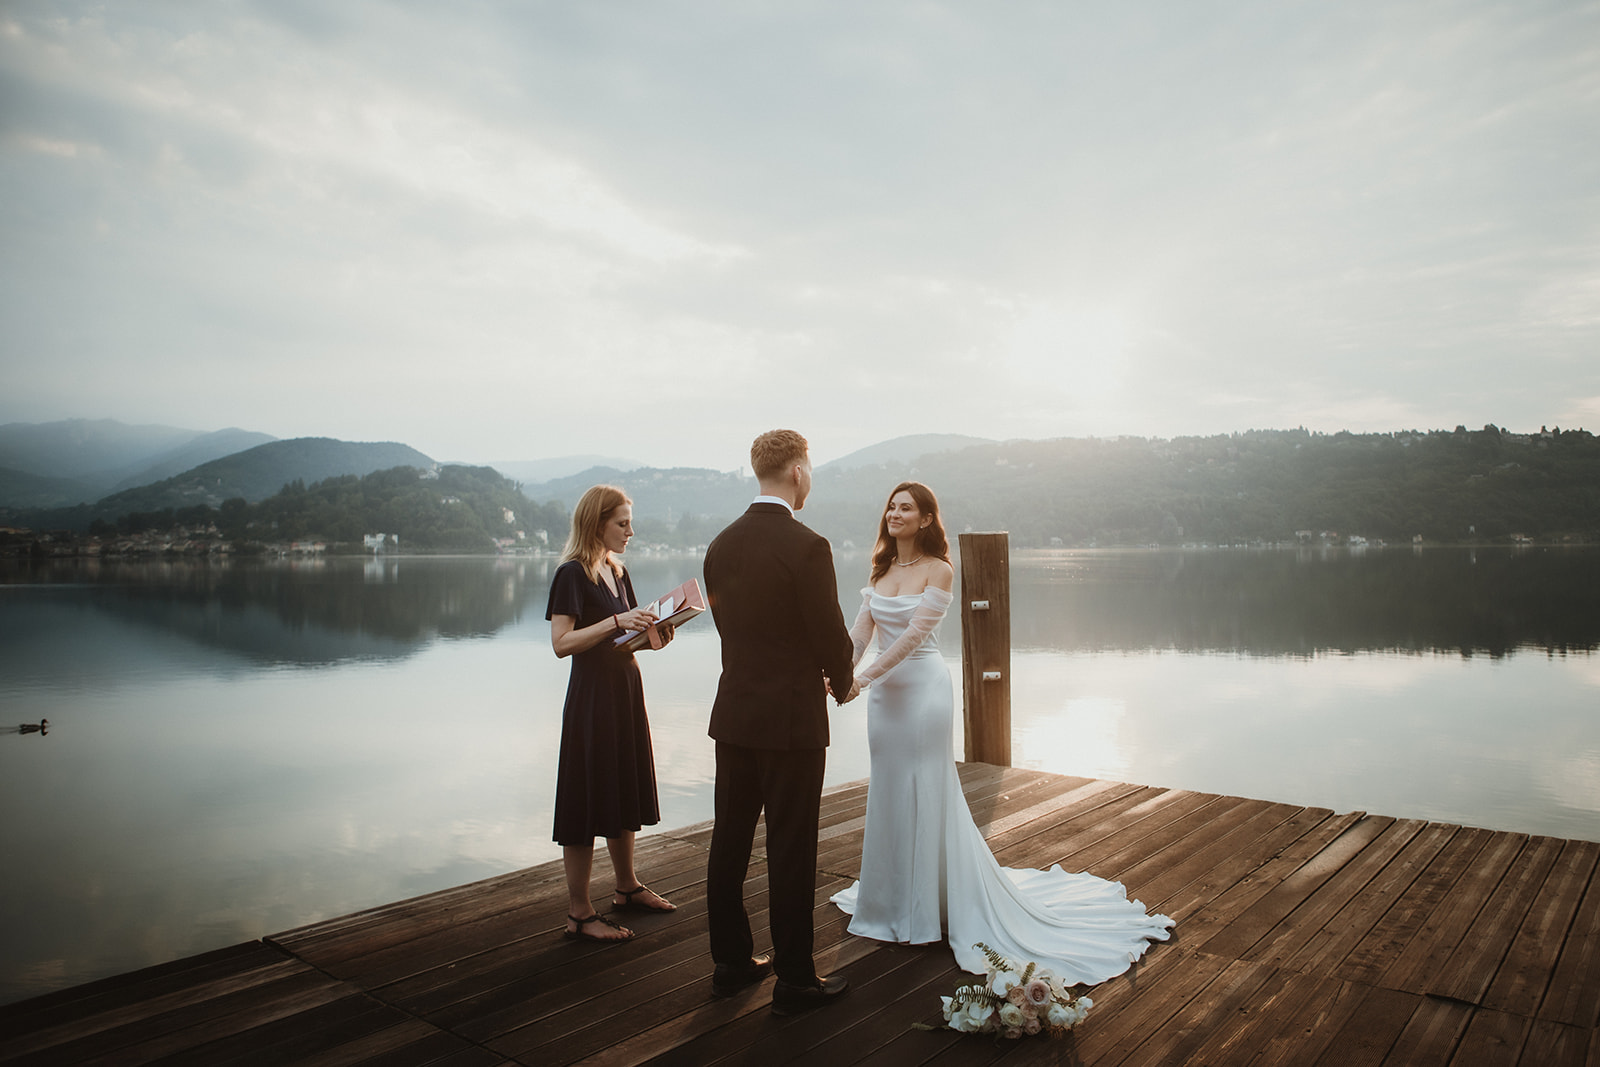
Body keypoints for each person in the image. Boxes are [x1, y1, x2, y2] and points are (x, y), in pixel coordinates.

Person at [830, 481, 1174, 983]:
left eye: (906, 508)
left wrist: (861, 678)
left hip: (923, 693)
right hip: (884, 701)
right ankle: (889, 900)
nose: (894, 513)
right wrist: (840, 672)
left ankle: (928, 907)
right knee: (888, 788)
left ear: (927, 519)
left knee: (927, 786)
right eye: (891, 506)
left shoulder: (940, 570)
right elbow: (862, 633)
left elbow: (910, 638)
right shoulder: (880, 570)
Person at [702, 429, 860, 1015]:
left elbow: (732, 632)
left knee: (730, 840)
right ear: (796, 472)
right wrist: (841, 684)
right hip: (791, 720)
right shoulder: (808, 546)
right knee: (791, 846)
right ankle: (794, 978)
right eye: (810, 469)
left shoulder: (720, 545)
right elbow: (828, 635)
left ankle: (730, 963)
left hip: (736, 713)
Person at [547, 485, 677, 943]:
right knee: (586, 794)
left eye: (629, 522)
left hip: (625, 689)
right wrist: (616, 622)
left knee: (623, 784)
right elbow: (562, 644)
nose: (630, 531)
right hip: (592, 698)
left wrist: (656, 633)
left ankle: (627, 887)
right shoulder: (571, 574)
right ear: (596, 523)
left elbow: (626, 638)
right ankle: (580, 914)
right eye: (622, 523)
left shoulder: (617, 571)